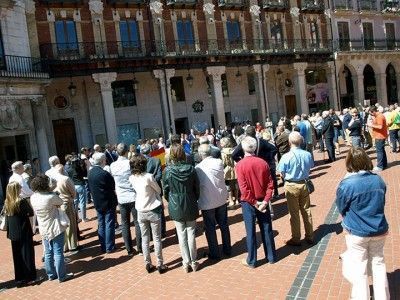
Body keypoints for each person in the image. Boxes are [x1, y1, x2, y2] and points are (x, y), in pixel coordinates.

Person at [335, 147, 389, 300]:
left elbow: (341, 207)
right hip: (378, 229)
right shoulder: (378, 180)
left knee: (360, 269)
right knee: (378, 264)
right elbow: (382, 202)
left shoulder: (346, 184)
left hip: (357, 231)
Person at [235, 136, 277, 268]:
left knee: (251, 231)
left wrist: (255, 203)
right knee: (266, 228)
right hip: (262, 200)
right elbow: (271, 184)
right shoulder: (263, 163)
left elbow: (244, 189)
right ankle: (271, 256)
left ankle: (252, 260)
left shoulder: (240, 165)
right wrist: (265, 201)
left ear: (243, 148)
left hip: (249, 203)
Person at [163, 144, 200, 272]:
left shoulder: (168, 171)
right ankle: (193, 261)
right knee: (191, 232)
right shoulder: (190, 169)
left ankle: (186, 262)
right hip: (189, 201)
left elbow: (165, 190)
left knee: (181, 234)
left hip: (176, 203)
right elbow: (197, 188)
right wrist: (194, 198)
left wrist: (170, 200)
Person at [30, 175, 73, 282]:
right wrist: (52, 190)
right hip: (55, 227)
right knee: (58, 252)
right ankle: (62, 276)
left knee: (48, 253)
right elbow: (60, 202)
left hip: (43, 228)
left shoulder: (33, 197)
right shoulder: (50, 197)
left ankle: (51, 274)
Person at [129, 155, 167, 274]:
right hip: (152, 209)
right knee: (156, 238)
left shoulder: (131, 178)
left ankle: (148, 263)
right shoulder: (149, 177)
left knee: (145, 238)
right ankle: (160, 264)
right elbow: (159, 190)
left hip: (140, 209)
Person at [277, 131, 314, 246]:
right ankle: (310, 236)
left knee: (294, 213)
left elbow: (281, 173)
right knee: (306, 210)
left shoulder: (286, 156)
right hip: (303, 183)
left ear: (289, 142)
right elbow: (311, 167)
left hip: (291, 185)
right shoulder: (307, 154)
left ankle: (296, 238)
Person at [195, 144, 232, 260]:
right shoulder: (218, 162)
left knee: (210, 228)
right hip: (220, 198)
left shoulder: (198, 168)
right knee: (224, 225)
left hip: (207, 201)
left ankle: (214, 253)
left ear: (200, 154)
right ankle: (227, 249)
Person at [110, 143, 142, 257]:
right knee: (137, 222)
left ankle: (129, 249)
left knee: (125, 223)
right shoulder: (129, 163)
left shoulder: (112, 165)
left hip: (122, 197)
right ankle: (140, 247)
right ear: (126, 152)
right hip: (132, 196)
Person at [5, 182, 37, 286]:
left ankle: (19, 278)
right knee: (27, 254)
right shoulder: (21, 201)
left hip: (13, 233)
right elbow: (31, 212)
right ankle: (30, 278)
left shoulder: (7, 202)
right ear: (16, 190)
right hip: (23, 230)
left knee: (17, 256)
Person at [88, 152, 118, 253]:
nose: (105, 161)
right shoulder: (104, 173)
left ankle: (103, 246)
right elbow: (112, 185)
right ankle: (109, 246)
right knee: (109, 223)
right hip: (108, 201)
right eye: (104, 160)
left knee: (101, 224)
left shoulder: (90, 172)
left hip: (97, 202)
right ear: (102, 161)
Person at [54, 164, 79, 253]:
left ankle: (64, 246)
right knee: (70, 224)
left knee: (62, 225)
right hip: (67, 203)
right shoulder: (65, 179)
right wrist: (72, 198)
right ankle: (72, 245)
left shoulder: (53, 179)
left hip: (57, 204)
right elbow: (73, 192)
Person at [65, 155, 88, 222]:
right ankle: (84, 218)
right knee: (82, 202)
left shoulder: (68, 169)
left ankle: (76, 218)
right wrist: (83, 165)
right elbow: (84, 174)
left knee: (75, 202)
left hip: (73, 186)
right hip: (80, 185)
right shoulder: (78, 168)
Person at [368, 106, 388, 171]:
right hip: (380, 136)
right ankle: (384, 164)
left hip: (379, 136)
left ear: (373, 111)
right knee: (382, 150)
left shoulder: (379, 116)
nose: (370, 115)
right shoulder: (378, 116)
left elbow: (380, 127)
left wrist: (371, 125)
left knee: (379, 151)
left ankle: (380, 166)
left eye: (371, 113)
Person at [220, 137, 238, 206]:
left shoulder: (223, 152)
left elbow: (223, 163)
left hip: (227, 170)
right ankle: (236, 200)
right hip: (235, 169)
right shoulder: (233, 150)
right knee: (236, 185)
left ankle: (231, 200)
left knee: (228, 186)